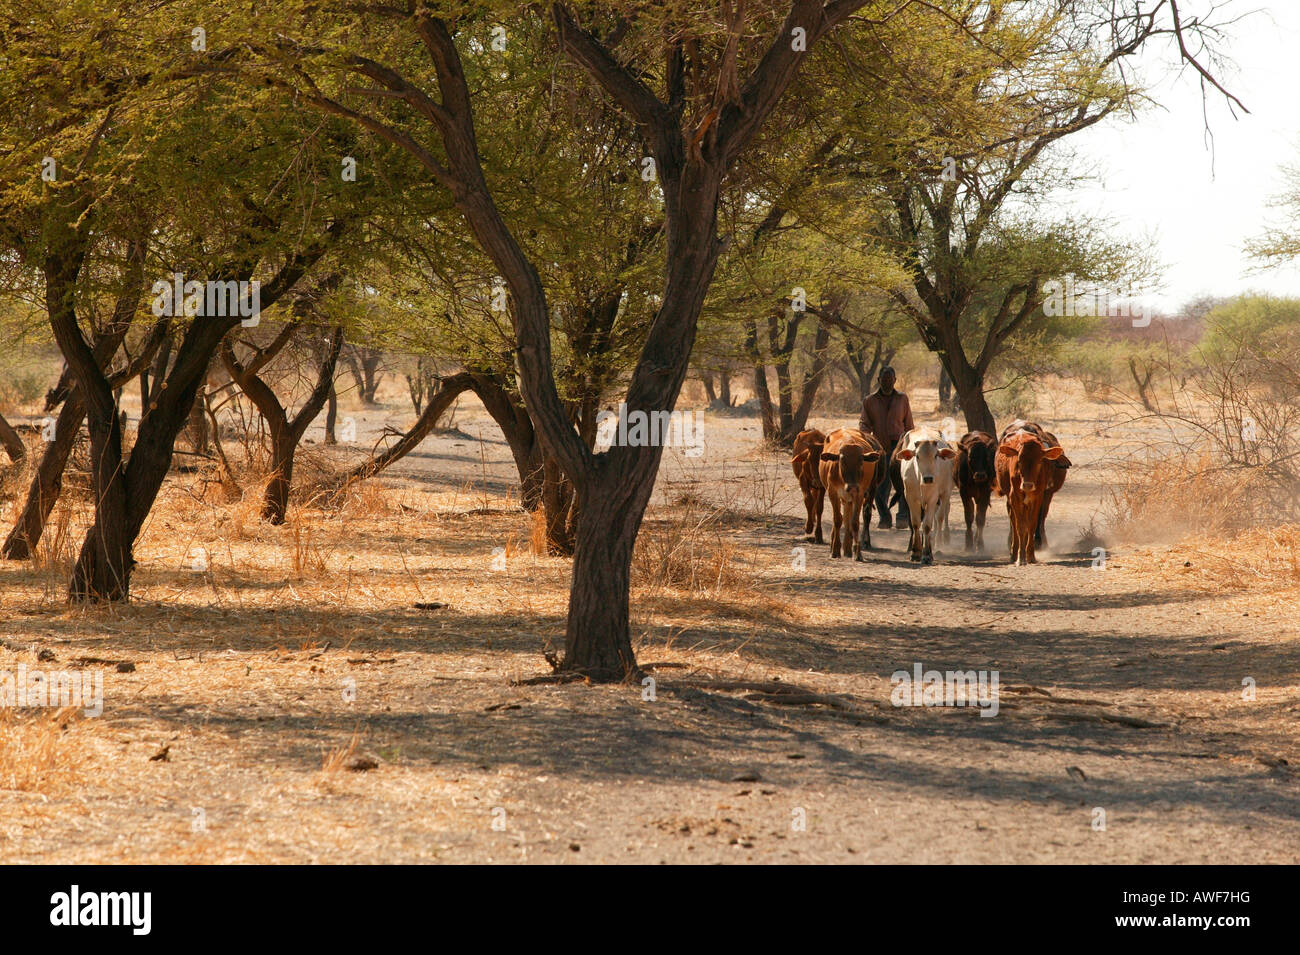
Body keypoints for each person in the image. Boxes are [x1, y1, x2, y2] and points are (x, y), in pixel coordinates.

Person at [858, 366, 914, 529]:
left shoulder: (902, 399)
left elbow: (909, 423)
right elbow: (864, 424)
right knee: (879, 484)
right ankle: (885, 517)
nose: (887, 382)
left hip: (899, 448)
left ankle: (903, 516)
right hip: (879, 448)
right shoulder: (870, 400)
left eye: (890, 379)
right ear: (878, 380)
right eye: (884, 379)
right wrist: (866, 440)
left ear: (895, 380)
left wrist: (910, 441)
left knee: (903, 483)